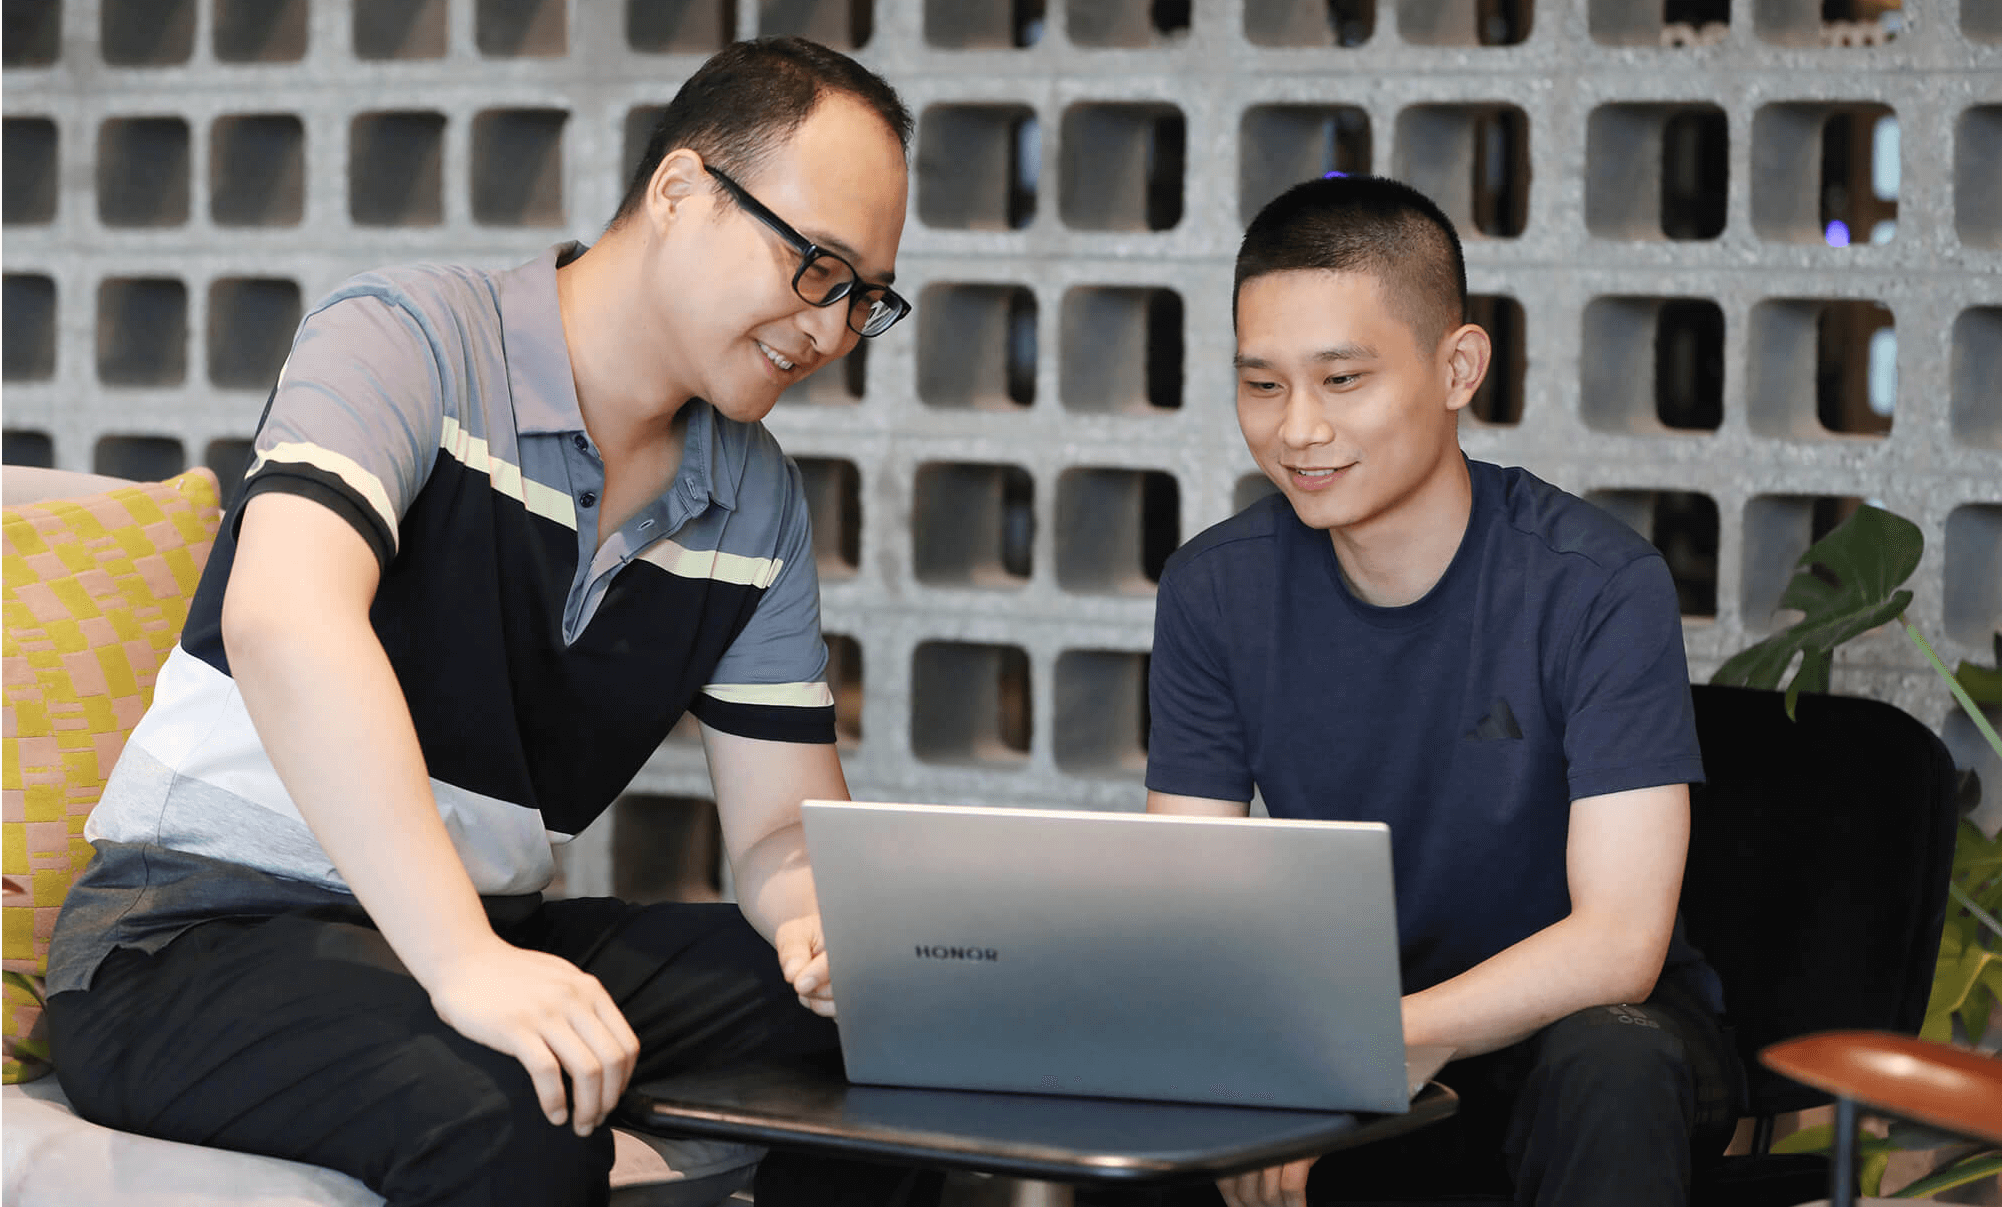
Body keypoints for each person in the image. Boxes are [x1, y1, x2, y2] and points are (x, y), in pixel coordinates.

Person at [44, 36, 932, 1207]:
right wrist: (462, 961)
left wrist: (817, 922)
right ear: (679, 191)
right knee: (517, 1110)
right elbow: (282, 619)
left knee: (912, 1022)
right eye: (816, 266)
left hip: (488, 928)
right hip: (197, 932)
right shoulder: (407, 335)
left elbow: (776, 830)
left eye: (866, 296)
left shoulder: (753, 499)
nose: (831, 330)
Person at [1141, 175, 1745, 1207]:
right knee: (1131, 1089)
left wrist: (1380, 1042)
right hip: (1350, 1017)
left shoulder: (1597, 584)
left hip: (1575, 1039)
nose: (1298, 429)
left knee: (1611, 1058)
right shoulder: (1214, 590)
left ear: (1458, 366)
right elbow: (1189, 906)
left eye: (1342, 379)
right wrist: (1284, 1065)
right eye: (1263, 385)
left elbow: (1619, 941)